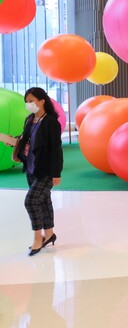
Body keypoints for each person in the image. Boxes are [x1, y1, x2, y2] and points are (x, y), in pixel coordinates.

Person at [13, 88, 63, 256]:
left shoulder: (51, 122)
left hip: (46, 170)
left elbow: (56, 150)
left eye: (31, 101)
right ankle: (49, 234)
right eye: (27, 102)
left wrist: (56, 173)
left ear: (42, 101)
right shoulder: (30, 119)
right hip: (31, 167)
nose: (29, 104)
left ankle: (38, 238)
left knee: (31, 201)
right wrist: (15, 142)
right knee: (43, 200)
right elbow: (26, 139)